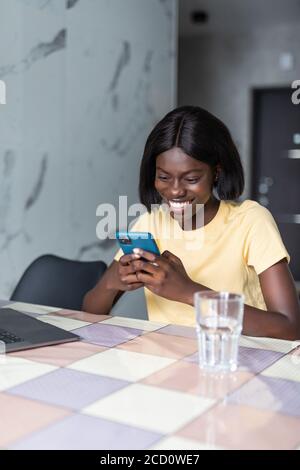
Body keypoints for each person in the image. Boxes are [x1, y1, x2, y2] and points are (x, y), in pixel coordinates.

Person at [83, 106, 300, 339]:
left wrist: (189, 292)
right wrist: (112, 283)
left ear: (216, 172)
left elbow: (289, 327)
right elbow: (90, 312)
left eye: (191, 179)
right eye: (163, 177)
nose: (175, 190)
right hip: (165, 367)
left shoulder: (250, 221)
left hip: (235, 362)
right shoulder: (150, 224)